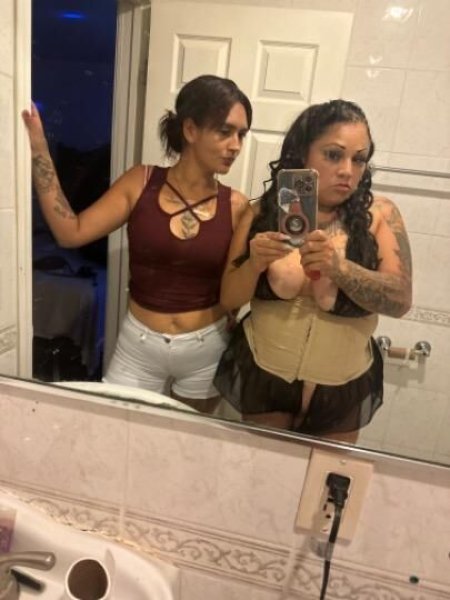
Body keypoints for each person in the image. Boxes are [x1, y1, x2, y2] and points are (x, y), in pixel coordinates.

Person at [22, 74, 252, 413]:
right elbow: (70, 232)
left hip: (206, 348)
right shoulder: (141, 182)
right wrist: (39, 149)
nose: (236, 145)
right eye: (225, 131)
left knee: (189, 440)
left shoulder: (237, 205)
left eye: (242, 135)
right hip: (139, 346)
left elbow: (234, 287)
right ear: (190, 130)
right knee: (117, 430)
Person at [214, 99, 412, 441]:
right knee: (265, 468)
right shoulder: (261, 214)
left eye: (359, 159)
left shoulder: (381, 215)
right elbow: (229, 299)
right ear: (302, 153)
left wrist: (341, 269)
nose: (348, 170)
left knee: (327, 475)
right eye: (333, 155)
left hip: (343, 385)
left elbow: (401, 300)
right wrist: (254, 264)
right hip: (266, 375)